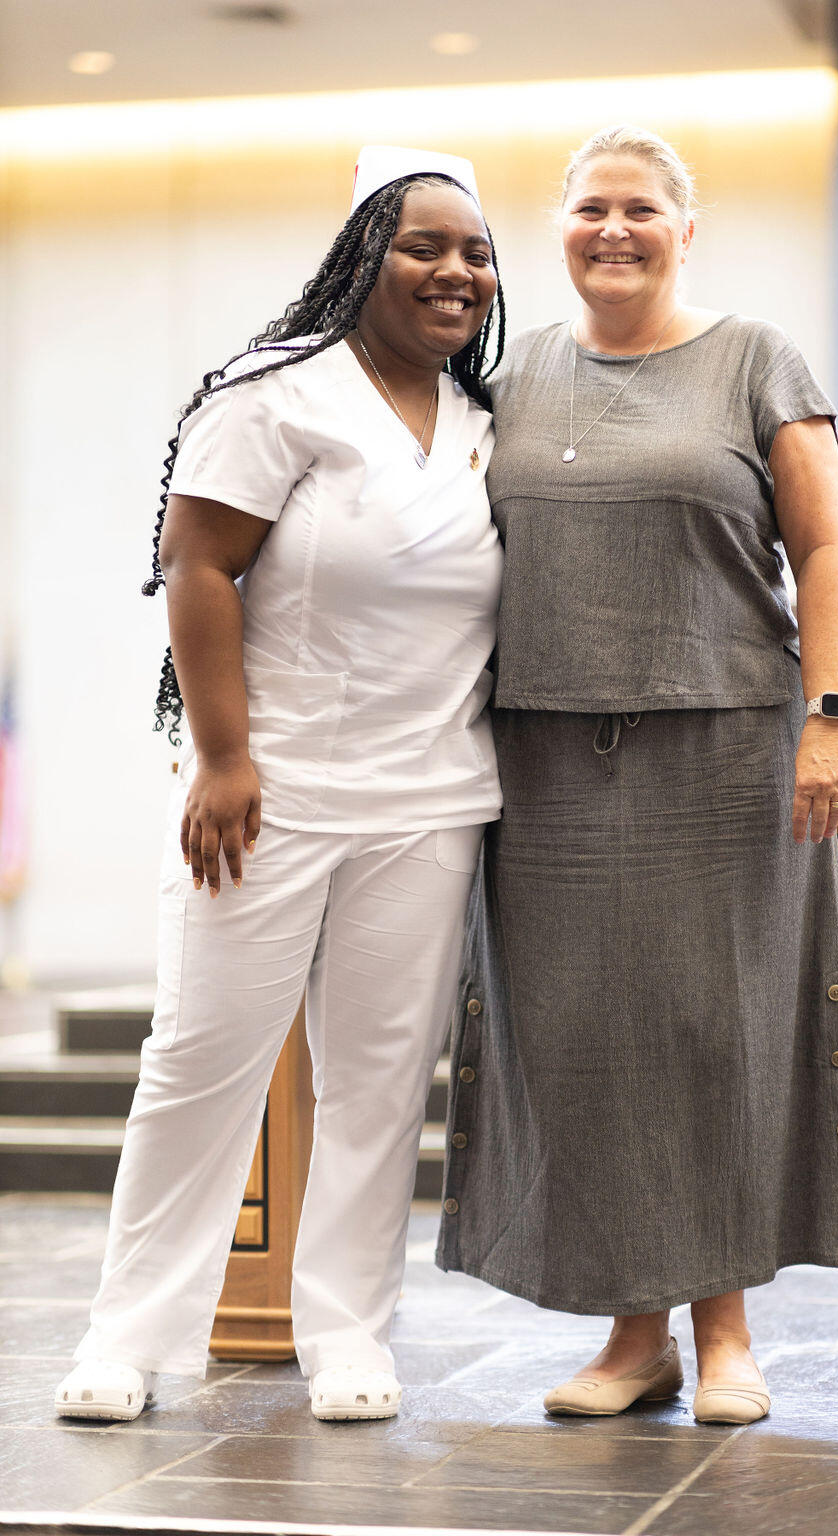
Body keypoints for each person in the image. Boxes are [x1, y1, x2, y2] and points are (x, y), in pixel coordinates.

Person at [436, 125, 838, 1423]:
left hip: (726, 750)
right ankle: (635, 1338)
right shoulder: (509, 379)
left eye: (638, 209)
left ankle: (725, 1332)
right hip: (544, 763)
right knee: (584, 1046)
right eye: (589, 209)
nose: (612, 230)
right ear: (559, 231)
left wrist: (832, 716)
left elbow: (830, 551)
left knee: (714, 1035)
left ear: (686, 230)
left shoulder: (753, 359)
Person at [55, 146, 505, 1424]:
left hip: (430, 803)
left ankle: (349, 1335)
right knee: (202, 1060)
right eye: (424, 245)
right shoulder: (275, 395)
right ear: (362, 255)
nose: (456, 272)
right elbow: (196, 566)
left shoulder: (485, 423)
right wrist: (223, 757)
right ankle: (129, 1339)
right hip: (269, 795)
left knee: (379, 1080)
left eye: (477, 252)